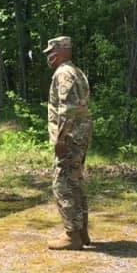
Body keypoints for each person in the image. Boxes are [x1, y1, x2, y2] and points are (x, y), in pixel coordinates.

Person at [45, 35, 92, 250]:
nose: (49, 57)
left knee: (62, 184)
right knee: (75, 181)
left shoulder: (64, 73)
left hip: (70, 137)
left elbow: (67, 108)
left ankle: (72, 234)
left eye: (52, 52)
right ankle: (82, 232)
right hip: (79, 135)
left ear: (63, 51)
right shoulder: (76, 71)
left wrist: (61, 139)